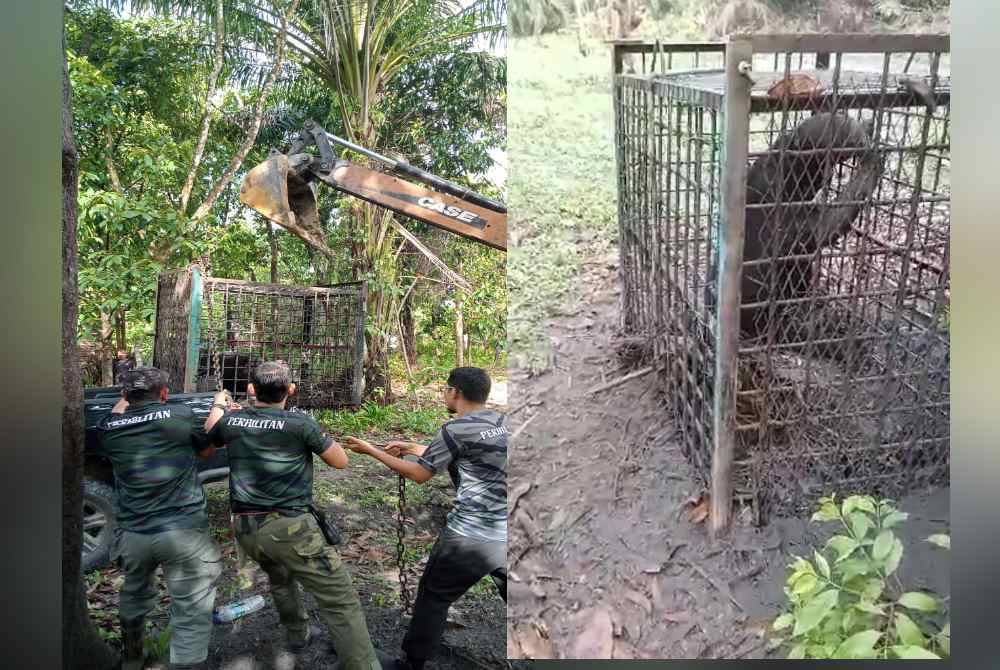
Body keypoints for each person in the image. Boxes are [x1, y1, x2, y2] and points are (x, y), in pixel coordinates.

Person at [203, 361, 383, 670]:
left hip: (247, 530)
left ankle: (297, 634)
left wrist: (219, 405)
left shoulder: (232, 422)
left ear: (250, 390)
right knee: (341, 602)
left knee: (280, 578)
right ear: (291, 390)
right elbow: (339, 462)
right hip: (290, 530)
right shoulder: (300, 423)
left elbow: (206, 444)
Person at [345, 366, 508, 670]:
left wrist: (370, 451)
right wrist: (410, 446)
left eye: (447, 388)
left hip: (470, 537)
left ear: (456, 392)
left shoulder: (455, 429)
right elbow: (465, 455)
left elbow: (420, 474)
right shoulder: (501, 421)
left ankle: (412, 664)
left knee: (434, 597)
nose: (444, 393)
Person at [96, 367, 223, 670]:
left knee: (133, 596)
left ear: (124, 395)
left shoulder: (108, 427)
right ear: (164, 394)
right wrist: (218, 404)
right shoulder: (179, 416)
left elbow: (119, 411)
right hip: (184, 532)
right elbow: (207, 451)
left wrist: (126, 401)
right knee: (191, 606)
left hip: (133, 535)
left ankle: (132, 658)